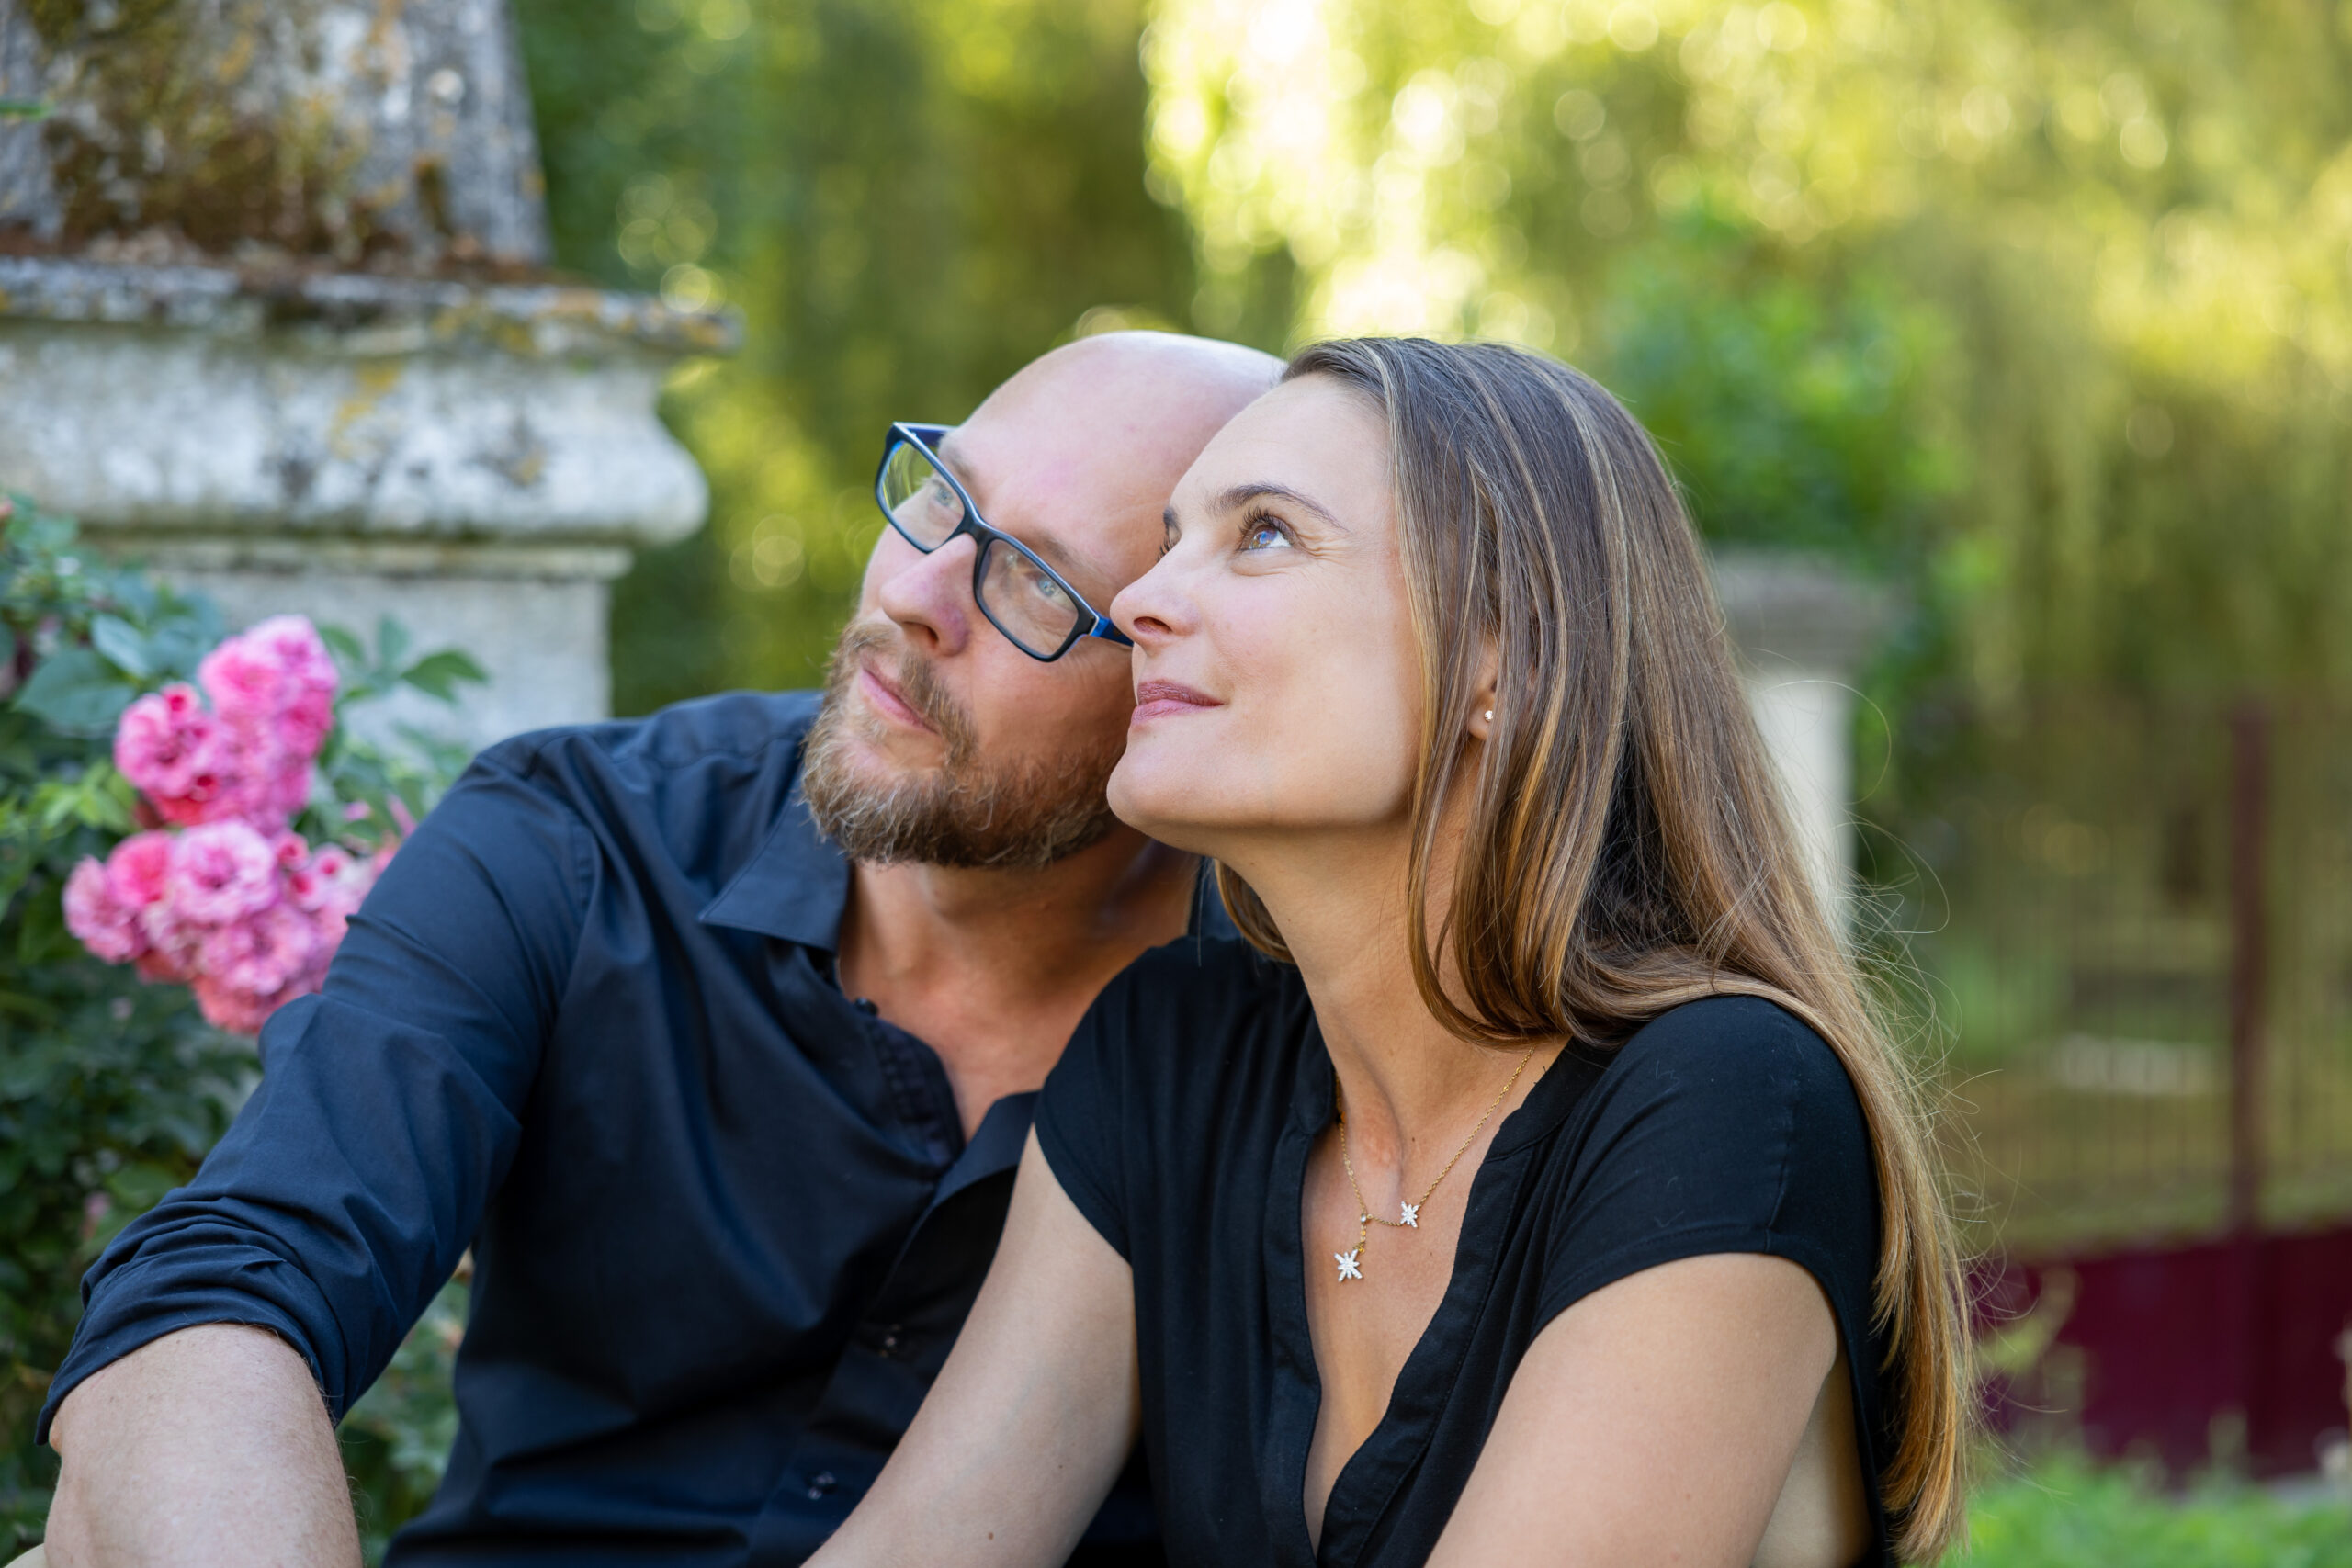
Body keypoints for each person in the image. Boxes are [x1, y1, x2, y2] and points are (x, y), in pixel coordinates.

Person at [34, 330, 1283, 1568]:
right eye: (939, 494)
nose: (916, 593)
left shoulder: (1282, 1016)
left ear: (1180, 683)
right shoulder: (579, 842)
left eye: (1036, 581)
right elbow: (243, 1268)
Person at [808, 338, 1973, 1568]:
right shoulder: (1171, 1057)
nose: (1140, 601)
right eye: (1170, 539)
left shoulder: (1718, 1099)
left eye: (1264, 534)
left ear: (1504, 655)